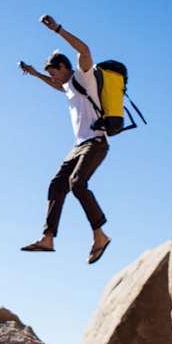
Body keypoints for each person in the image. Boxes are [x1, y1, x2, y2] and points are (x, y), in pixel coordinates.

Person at [18, 14, 112, 264]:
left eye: (55, 72)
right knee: (56, 184)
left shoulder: (83, 77)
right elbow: (56, 86)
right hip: (79, 146)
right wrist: (36, 74)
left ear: (64, 67)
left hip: (96, 142)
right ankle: (48, 238)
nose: (55, 78)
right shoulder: (67, 86)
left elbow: (85, 50)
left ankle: (100, 236)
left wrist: (58, 29)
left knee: (77, 183)